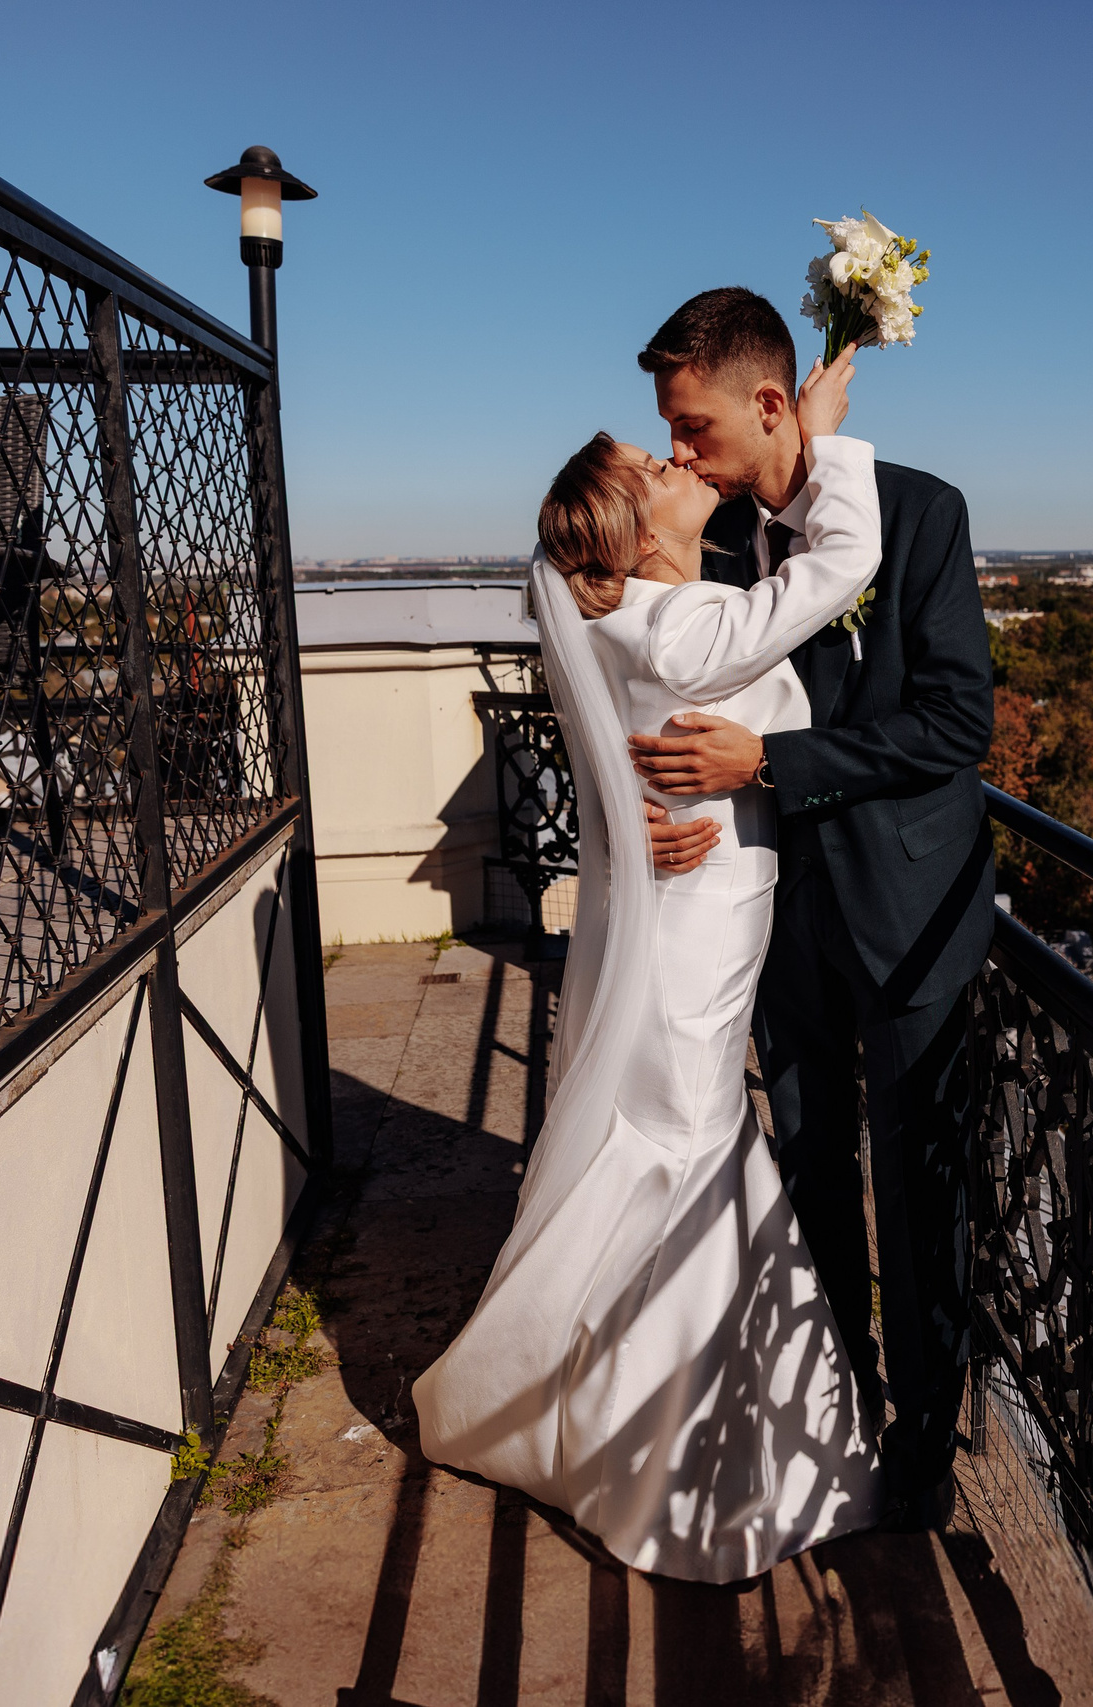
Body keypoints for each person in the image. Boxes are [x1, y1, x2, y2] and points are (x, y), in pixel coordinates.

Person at [410, 350, 888, 1582]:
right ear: (630, 532)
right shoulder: (676, 627)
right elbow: (842, 562)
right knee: (687, 1151)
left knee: (682, 1146)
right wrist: (826, 434)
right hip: (700, 928)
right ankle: (675, 1465)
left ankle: (645, 1415)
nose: (676, 459)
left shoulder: (647, 613)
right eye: (651, 465)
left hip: (693, 909)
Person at [629, 288, 996, 1532]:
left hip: (910, 912)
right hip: (776, 912)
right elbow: (663, 682)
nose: (679, 452)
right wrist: (648, 805)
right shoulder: (714, 538)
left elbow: (954, 722)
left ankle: (924, 1451)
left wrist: (771, 766)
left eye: (693, 426)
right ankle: (837, 1406)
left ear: (771, 404)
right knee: (809, 1164)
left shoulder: (921, 513)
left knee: (921, 1191)